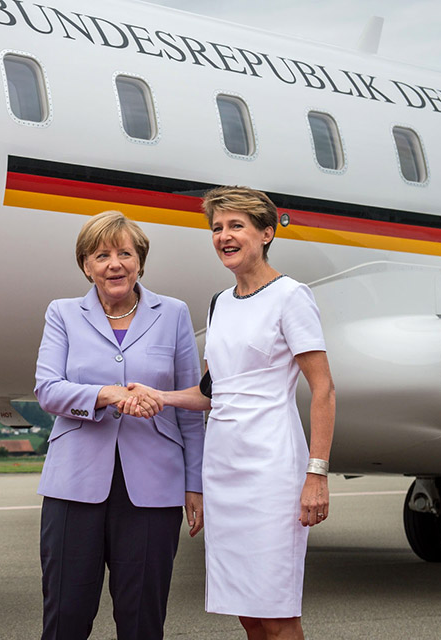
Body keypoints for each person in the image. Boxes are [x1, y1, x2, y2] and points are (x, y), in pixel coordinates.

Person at [119, 186, 335, 640]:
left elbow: (324, 389)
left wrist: (317, 473)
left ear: (267, 233)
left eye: (236, 226)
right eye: (217, 228)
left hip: (272, 467)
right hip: (224, 467)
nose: (224, 236)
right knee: (248, 613)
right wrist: (160, 396)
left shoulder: (291, 296)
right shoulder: (220, 302)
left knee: (276, 612)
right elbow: (213, 391)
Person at [34, 210, 205, 640]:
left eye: (125, 253)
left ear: (140, 261)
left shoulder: (174, 314)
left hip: (153, 486)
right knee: (65, 617)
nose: (115, 263)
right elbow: (48, 390)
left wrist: (195, 483)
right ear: (86, 265)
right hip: (73, 483)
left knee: (142, 619)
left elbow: (190, 404)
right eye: (102, 254)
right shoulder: (63, 313)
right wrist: (107, 394)